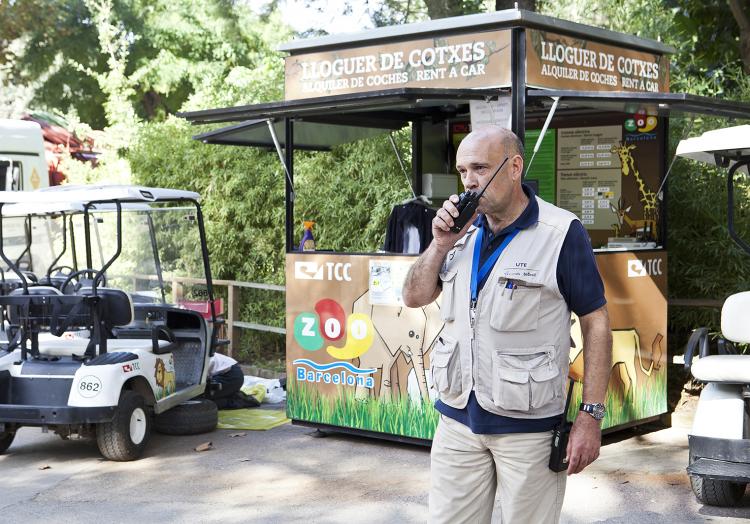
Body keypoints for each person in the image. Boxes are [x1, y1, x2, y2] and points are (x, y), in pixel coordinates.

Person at [402, 125, 612, 524]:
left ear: (514, 167)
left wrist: (590, 416)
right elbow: (413, 296)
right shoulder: (459, 233)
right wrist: (441, 242)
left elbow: (596, 322)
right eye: (463, 171)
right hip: (457, 420)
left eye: (479, 168)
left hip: (529, 429)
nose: (469, 182)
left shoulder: (561, 233)